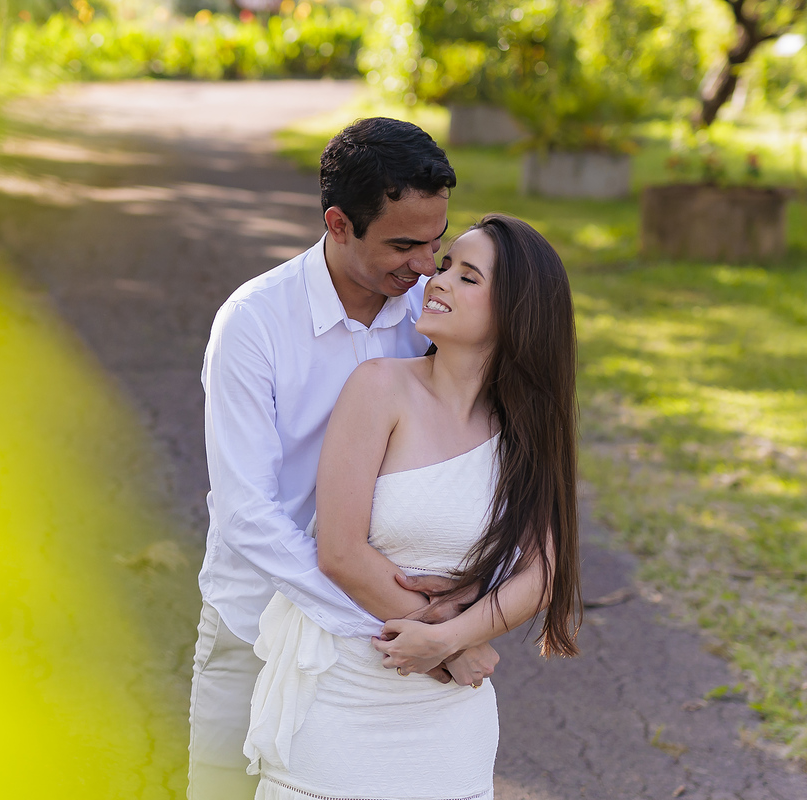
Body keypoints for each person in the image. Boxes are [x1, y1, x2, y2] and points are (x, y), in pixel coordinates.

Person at [190, 118, 499, 800]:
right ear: (338, 223)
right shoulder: (254, 323)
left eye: (436, 243)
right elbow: (248, 515)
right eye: (404, 245)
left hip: (389, 648)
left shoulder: (433, 314)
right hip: (261, 621)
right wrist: (422, 628)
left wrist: (458, 621)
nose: (425, 265)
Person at [244, 214, 583, 800]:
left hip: (451, 726)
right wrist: (452, 648)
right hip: (342, 698)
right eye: (446, 266)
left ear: (517, 313)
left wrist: (451, 642)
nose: (438, 281)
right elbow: (341, 552)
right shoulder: (379, 388)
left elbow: (542, 571)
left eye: (467, 277)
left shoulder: (526, 429)